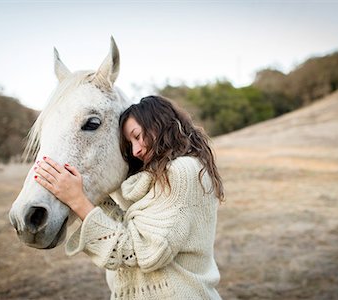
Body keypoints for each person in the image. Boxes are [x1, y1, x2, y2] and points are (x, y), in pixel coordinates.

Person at [34, 95, 225, 299]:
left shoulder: (182, 171)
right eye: (129, 143)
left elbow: (146, 252)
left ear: (160, 125)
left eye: (137, 135)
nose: (136, 151)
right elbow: (130, 230)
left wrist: (78, 200)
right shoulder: (155, 181)